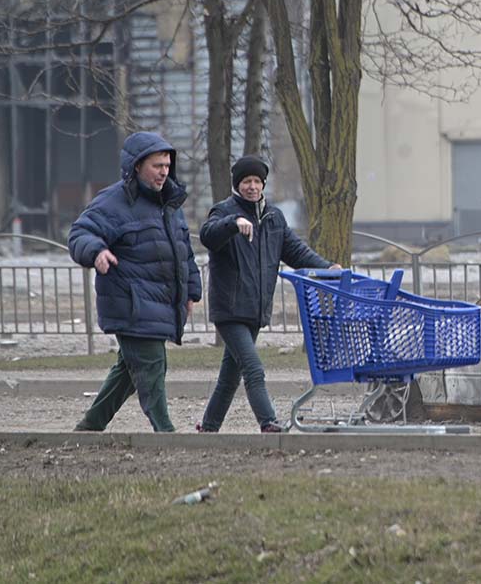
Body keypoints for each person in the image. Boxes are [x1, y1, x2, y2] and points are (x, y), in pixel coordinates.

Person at [70, 131, 201, 432]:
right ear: (137, 166)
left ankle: (90, 426)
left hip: (160, 304)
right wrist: (97, 251)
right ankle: (165, 433)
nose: (164, 172)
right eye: (157, 166)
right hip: (130, 304)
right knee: (152, 365)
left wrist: (191, 291)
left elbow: (184, 250)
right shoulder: (113, 201)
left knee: (128, 372)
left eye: (167, 166)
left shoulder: (170, 203)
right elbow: (80, 234)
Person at [197, 155, 339, 433]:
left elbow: (295, 251)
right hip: (230, 309)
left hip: (255, 309)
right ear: (237, 185)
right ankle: (268, 423)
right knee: (253, 369)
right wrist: (233, 223)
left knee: (230, 377)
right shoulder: (224, 211)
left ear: (263, 184)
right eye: (246, 182)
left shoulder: (274, 217)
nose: (252, 187)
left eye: (257, 181)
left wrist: (327, 268)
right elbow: (208, 235)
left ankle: (209, 428)